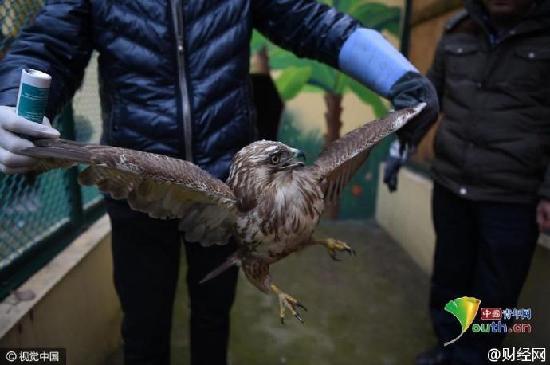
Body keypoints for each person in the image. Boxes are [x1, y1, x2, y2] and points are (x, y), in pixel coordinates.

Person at [0, 1, 438, 364]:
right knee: (144, 324)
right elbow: (49, 44)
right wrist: (13, 108)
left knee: (213, 318)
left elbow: (310, 20)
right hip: (137, 187)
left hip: (230, 193)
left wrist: (397, 77)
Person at [384, 0, 550, 364]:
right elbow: (428, 102)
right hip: (450, 186)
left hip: (511, 196)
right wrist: (400, 147)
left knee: (497, 294)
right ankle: (448, 347)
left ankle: (475, 357)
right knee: (449, 276)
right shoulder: (456, 33)